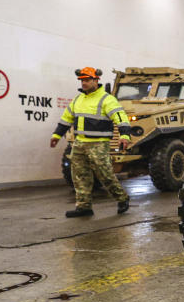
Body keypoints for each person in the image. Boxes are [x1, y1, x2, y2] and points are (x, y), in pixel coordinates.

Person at [50, 67, 132, 218]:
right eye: (82, 80)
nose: (84, 83)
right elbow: (66, 119)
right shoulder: (78, 99)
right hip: (79, 144)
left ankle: (122, 198)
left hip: (98, 144)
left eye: (87, 80)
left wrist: (125, 136)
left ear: (96, 80)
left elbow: (121, 118)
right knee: (80, 176)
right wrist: (56, 135)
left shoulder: (106, 99)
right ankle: (84, 206)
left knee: (105, 175)